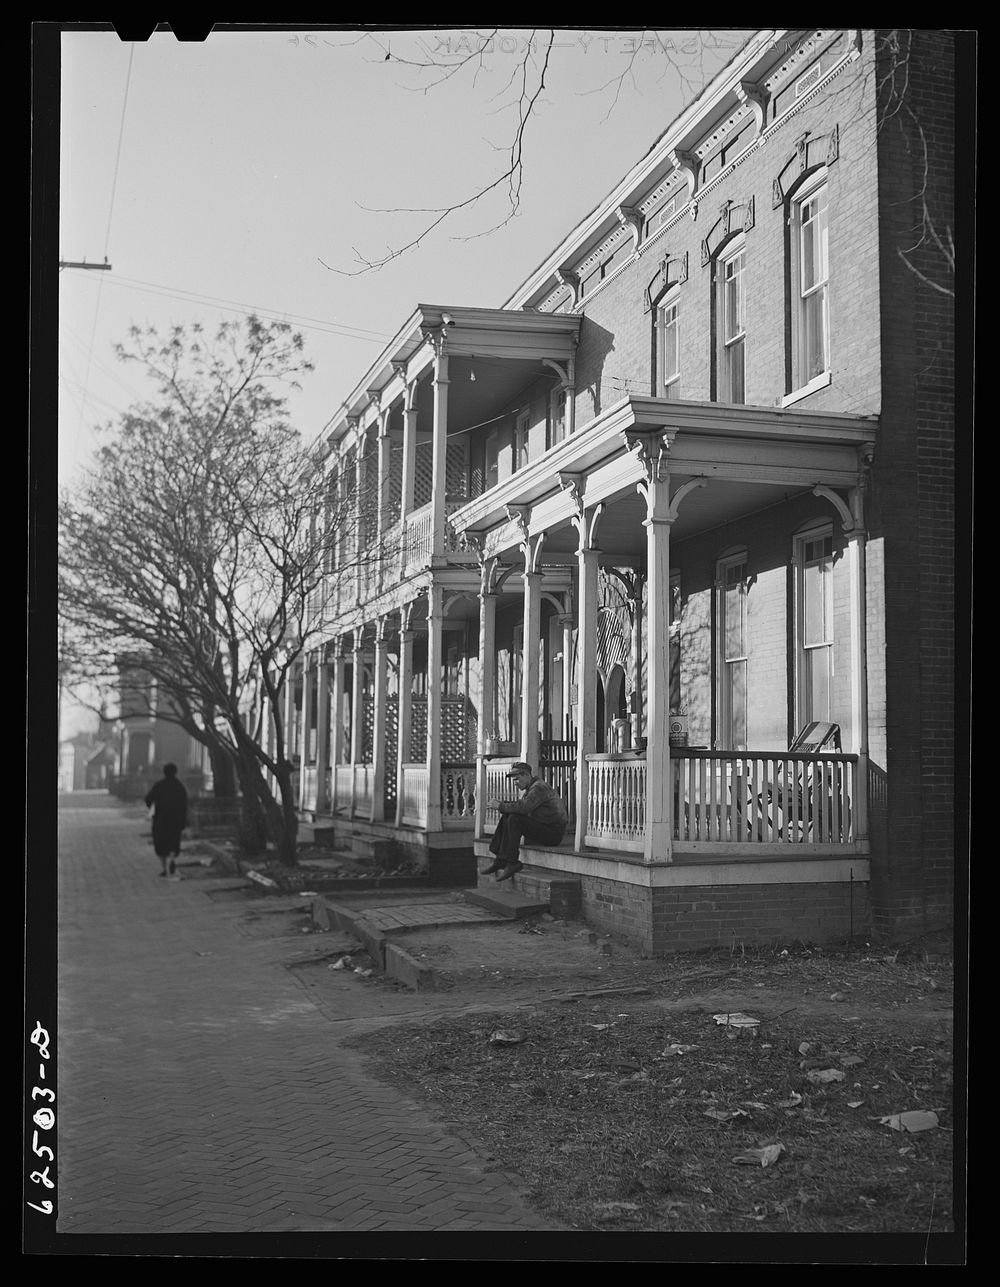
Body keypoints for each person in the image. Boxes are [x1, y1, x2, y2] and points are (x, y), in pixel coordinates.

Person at [483, 762, 568, 882]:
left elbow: (524, 808)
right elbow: (522, 806)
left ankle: (512, 862)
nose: (515, 783)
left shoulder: (539, 788)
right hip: (545, 829)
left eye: (517, 779)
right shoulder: (532, 788)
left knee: (515, 819)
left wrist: (501, 806)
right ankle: (501, 859)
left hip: (553, 834)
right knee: (509, 815)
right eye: (513, 780)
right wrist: (503, 804)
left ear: (527, 775)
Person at [144, 763, 188, 877]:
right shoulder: (179, 786)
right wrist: (183, 820)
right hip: (175, 820)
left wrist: (153, 807)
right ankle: (172, 860)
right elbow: (184, 804)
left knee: (160, 844)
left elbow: (148, 799)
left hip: (160, 819)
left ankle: (164, 868)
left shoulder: (159, 785)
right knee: (173, 843)